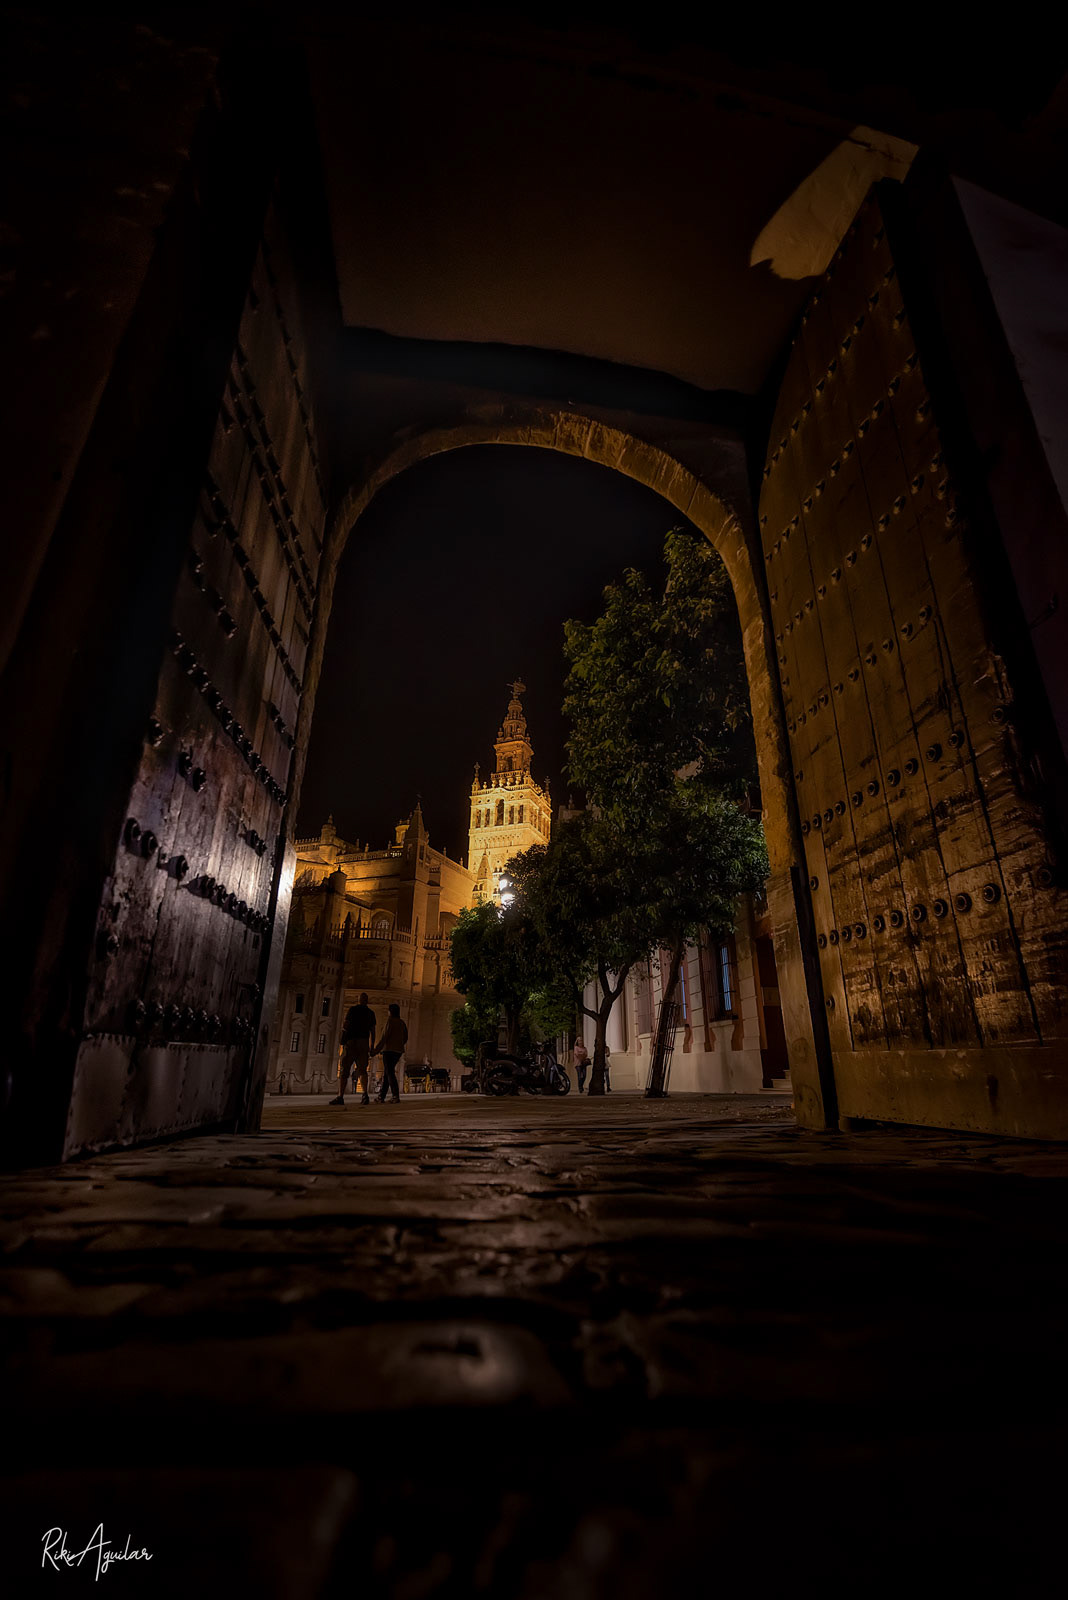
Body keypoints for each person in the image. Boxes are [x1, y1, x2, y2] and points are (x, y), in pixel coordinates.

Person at [330, 992, 376, 1105]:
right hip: (363, 1042)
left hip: (351, 1042)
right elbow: (373, 1031)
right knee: (362, 1070)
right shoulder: (370, 1013)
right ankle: (365, 1095)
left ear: (358, 1000)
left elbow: (345, 1025)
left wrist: (342, 1037)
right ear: (367, 1001)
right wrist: (372, 1045)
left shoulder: (352, 1010)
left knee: (344, 1070)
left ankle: (340, 1096)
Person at [371, 1003, 408, 1103]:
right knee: (387, 1072)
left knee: (389, 1072)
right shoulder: (402, 1023)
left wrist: (375, 1050)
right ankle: (381, 1096)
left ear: (390, 1012)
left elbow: (384, 1038)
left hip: (389, 1050)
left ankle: (395, 1095)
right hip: (398, 1051)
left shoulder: (390, 1021)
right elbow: (405, 1038)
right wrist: (399, 1044)